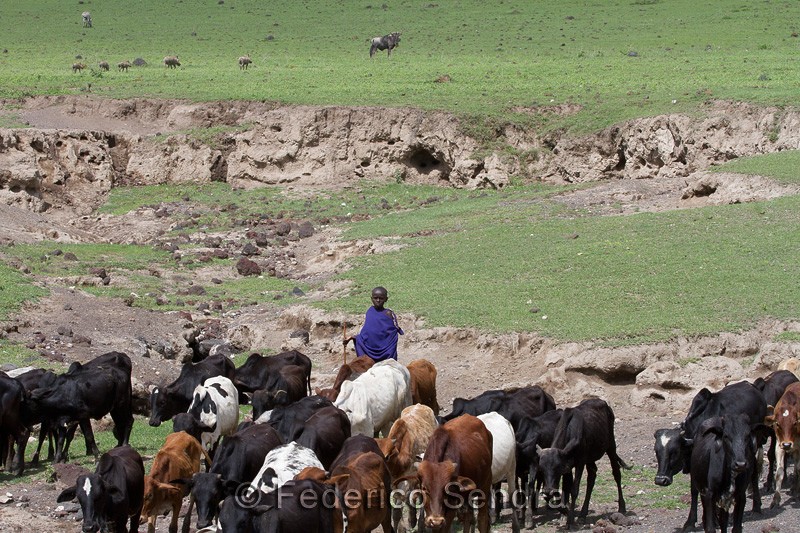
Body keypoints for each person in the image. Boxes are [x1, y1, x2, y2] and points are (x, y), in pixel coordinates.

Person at [343, 286, 404, 362]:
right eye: (375, 298)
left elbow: (392, 334)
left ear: (386, 299)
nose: (378, 300)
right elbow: (367, 333)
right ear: (371, 298)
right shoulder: (370, 311)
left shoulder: (388, 314)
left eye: (381, 298)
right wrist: (352, 337)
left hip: (386, 352)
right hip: (368, 351)